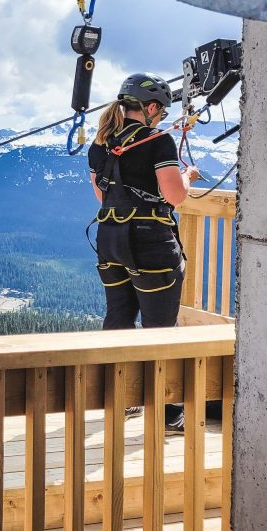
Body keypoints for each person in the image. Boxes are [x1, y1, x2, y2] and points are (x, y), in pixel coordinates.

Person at [88, 73, 200, 432]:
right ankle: (168, 413)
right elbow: (175, 196)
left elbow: (104, 196)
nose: (163, 118)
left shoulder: (100, 144)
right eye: (162, 112)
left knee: (119, 316)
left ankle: (121, 398)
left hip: (110, 238)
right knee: (159, 326)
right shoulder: (158, 141)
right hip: (151, 242)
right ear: (151, 108)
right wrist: (188, 176)